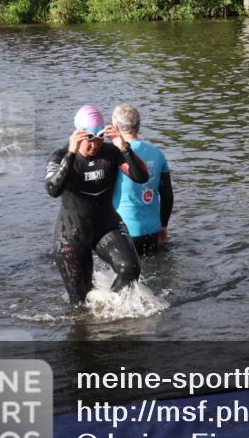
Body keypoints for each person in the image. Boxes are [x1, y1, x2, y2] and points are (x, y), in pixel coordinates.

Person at [45, 105, 149, 304]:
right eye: (89, 139)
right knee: (80, 303)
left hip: (106, 226)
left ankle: (108, 308)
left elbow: (142, 177)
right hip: (71, 235)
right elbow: (52, 189)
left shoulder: (111, 153)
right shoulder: (60, 157)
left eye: (100, 137)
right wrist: (71, 153)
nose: (95, 145)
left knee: (130, 269)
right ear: (77, 135)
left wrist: (123, 147)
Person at [111, 105, 173, 256]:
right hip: (152, 230)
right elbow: (167, 196)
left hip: (123, 232)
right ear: (138, 126)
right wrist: (163, 226)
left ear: (115, 127)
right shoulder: (158, 154)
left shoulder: (112, 153)